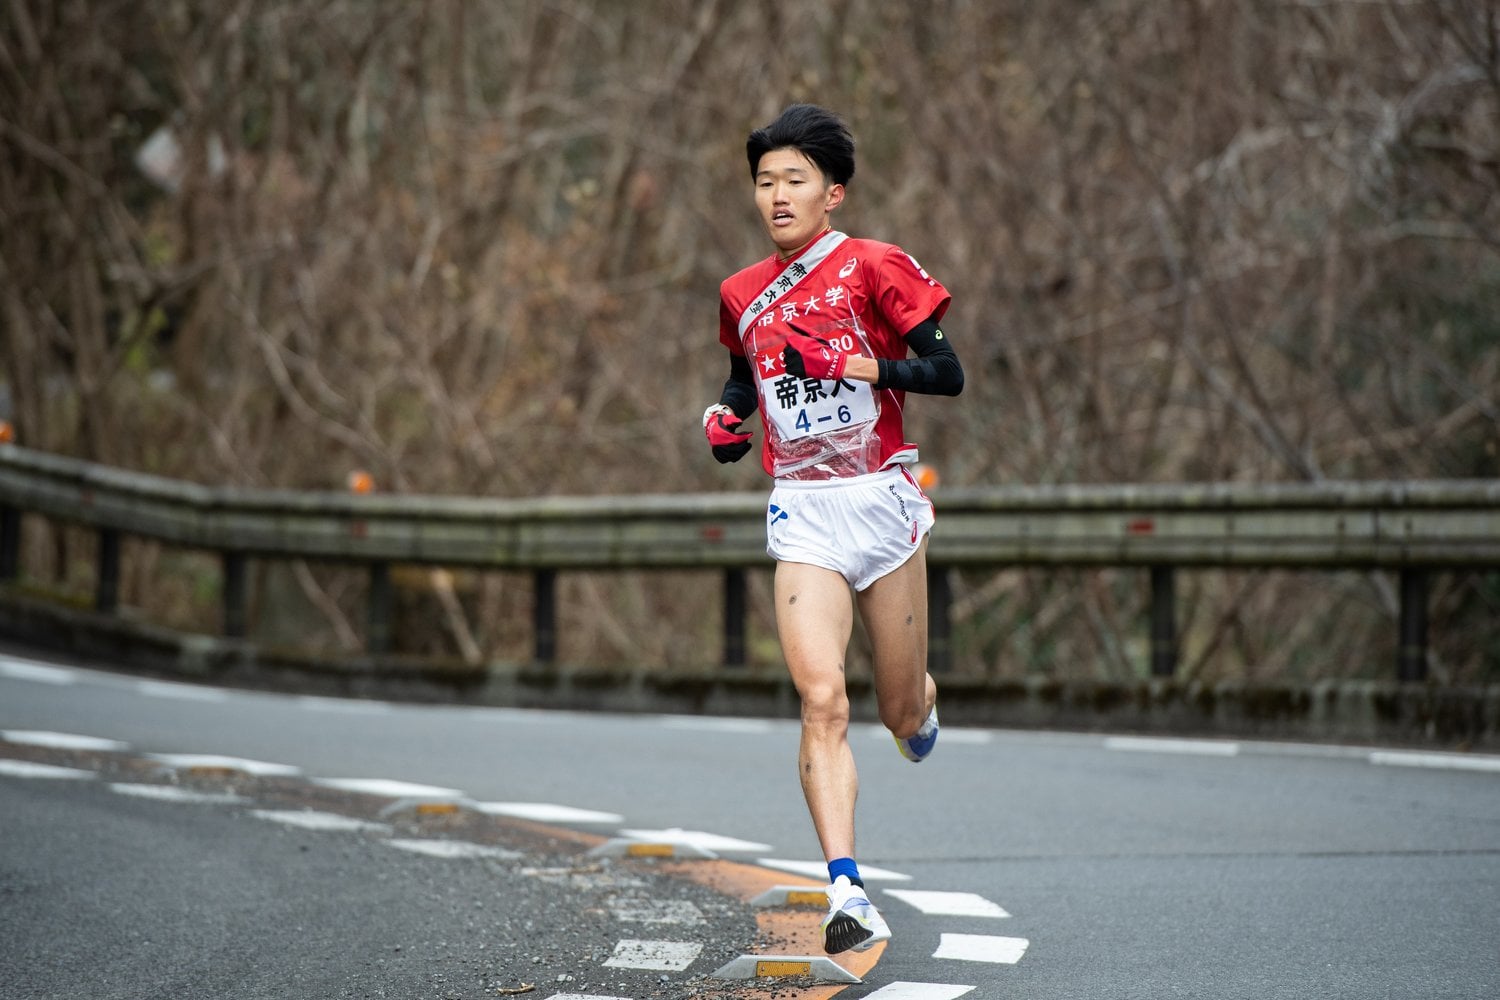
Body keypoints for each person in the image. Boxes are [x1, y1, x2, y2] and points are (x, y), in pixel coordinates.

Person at [701, 103, 965, 955]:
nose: (777, 197)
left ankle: (922, 705)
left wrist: (863, 365)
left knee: (894, 708)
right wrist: (724, 416)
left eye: (794, 181)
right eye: (765, 183)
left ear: (833, 192)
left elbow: (948, 372)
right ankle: (846, 889)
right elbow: (747, 379)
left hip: (880, 502)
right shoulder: (742, 293)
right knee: (822, 699)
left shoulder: (874, 268)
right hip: (804, 513)